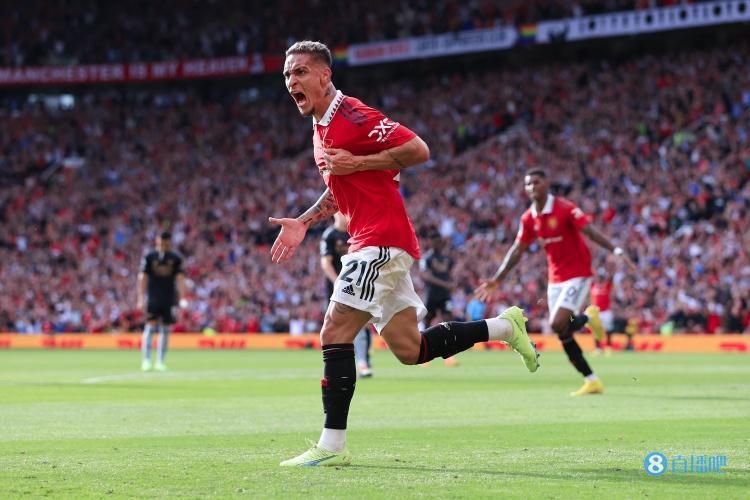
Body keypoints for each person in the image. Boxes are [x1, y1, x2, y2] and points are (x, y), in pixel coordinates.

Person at [269, 40, 539, 467]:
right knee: (410, 349)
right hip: (371, 239)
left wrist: (358, 164)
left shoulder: (353, 115)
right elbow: (339, 187)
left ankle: (331, 445)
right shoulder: (319, 128)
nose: (291, 81)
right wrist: (304, 220)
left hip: (381, 240)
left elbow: (418, 149)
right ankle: (504, 327)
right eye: (287, 74)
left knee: (334, 333)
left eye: (300, 72)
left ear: (325, 76)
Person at [476, 169, 635, 396]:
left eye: (536, 182)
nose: (532, 187)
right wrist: (498, 278)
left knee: (558, 322)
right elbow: (517, 249)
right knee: (561, 331)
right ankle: (592, 380)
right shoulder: (529, 218)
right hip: (555, 278)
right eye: (528, 184)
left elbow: (590, 232)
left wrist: (617, 250)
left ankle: (589, 318)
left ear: (547, 183)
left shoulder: (565, 208)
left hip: (579, 272)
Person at [321, 212, 373, 377]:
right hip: (337, 289)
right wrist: (337, 282)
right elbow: (325, 262)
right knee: (337, 327)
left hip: (358, 286)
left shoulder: (357, 233)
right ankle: (344, 364)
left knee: (362, 324)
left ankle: (363, 362)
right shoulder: (330, 235)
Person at [136, 231, 187, 371]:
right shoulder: (149, 257)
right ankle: (146, 360)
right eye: (161, 241)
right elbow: (142, 277)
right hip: (153, 297)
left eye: (166, 242)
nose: (163, 245)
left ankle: (160, 361)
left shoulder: (175, 258)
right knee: (150, 327)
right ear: (157, 241)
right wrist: (140, 297)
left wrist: (182, 297)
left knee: (165, 329)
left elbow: (180, 279)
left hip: (169, 298)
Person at [419, 233, 458, 366]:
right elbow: (426, 276)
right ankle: (423, 353)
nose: (437, 244)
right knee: (428, 322)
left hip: (445, 295)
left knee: (449, 322)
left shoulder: (447, 258)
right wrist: (446, 284)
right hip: (432, 295)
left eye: (439, 242)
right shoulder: (426, 258)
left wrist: (452, 283)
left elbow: (450, 274)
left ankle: (449, 355)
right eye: (434, 242)